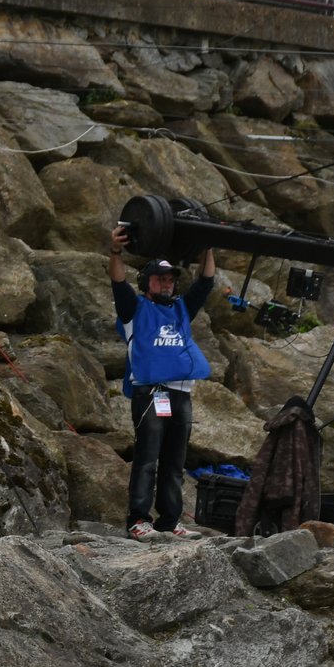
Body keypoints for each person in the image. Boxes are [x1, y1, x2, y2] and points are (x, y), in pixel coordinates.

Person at [109, 226, 215, 540]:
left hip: (181, 393)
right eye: (160, 279)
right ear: (146, 283)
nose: (167, 284)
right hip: (150, 393)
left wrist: (208, 247)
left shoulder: (182, 309)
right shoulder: (134, 309)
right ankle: (138, 520)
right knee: (147, 457)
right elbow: (116, 280)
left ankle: (169, 520)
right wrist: (115, 251)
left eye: (170, 280)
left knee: (174, 460)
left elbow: (206, 281)